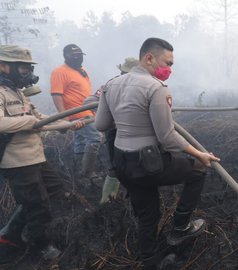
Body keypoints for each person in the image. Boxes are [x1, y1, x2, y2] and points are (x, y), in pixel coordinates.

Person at [95, 37, 220, 268]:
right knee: (199, 169)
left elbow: (101, 125)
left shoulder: (110, 85)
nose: (169, 69)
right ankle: (181, 227)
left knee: (148, 215)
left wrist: (128, 120)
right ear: (149, 58)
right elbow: (167, 137)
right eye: (168, 63)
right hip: (149, 164)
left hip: (121, 164)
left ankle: (151, 261)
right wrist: (199, 154)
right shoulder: (156, 88)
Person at [0, 45, 81, 262]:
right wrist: (30, 122)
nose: (27, 73)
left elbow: (40, 117)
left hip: (35, 156)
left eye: (28, 68)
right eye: (23, 68)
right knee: (37, 205)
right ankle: (41, 246)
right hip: (17, 161)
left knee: (54, 188)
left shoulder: (16, 92)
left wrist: (64, 124)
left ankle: (10, 232)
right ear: (4, 67)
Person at [84, 57, 139, 204]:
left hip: (137, 133)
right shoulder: (109, 85)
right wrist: (109, 112)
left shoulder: (143, 87)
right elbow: (89, 102)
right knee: (116, 167)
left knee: (138, 165)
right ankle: (107, 204)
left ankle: (133, 197)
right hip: (115, 132)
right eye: (124, 73)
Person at [50, 44, 101, 181]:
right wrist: (64, 116)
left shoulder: (82, 70)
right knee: (95, 138)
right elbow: (56, 94)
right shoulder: (59, 72)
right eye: (74, 56)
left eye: (80, 55)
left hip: (87, 111)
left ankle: (79, 173)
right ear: (66, 56)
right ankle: (87, 173)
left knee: (81, 141)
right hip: (75, 113)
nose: (78, 58)